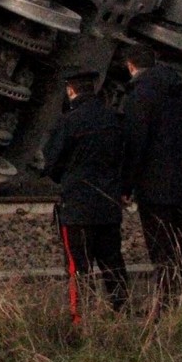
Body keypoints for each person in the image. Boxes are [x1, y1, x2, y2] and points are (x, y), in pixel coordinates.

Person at [42, 71, 129, 323]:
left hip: (77, 206)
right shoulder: (115, 119)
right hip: (108, 205)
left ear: (71, 91)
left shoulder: (68, 122)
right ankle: (121, 310)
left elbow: (52, 163)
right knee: (112, 260)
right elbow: (126, 158)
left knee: (78, 266)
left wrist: (65, 178)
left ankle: (80, 317)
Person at [120, 43, 182, 318]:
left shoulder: (139, 96)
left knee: (161, 248)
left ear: (131, 66)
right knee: (178, 243)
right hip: (180, 182)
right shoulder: (179, 93)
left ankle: (163, 308)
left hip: (153, 187)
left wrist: (125, 186)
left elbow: (135, 144)